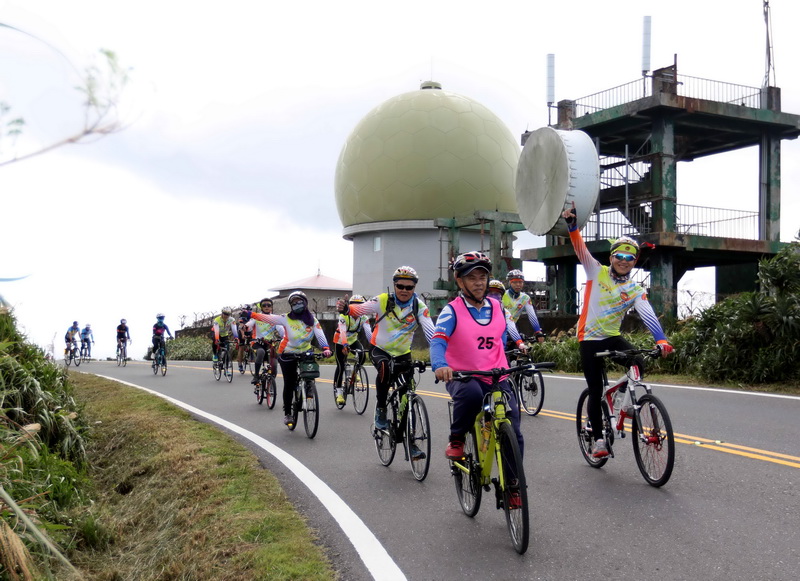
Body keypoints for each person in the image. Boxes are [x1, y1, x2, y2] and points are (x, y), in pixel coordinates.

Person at [562, 202, 673, 458]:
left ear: (635, 261)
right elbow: (580, 250)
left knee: (637, 361)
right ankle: (599, 440)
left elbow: (647, 313)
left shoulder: (634, 289)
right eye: (619, 256)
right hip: (589, 339)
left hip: (611, 337)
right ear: (611, 257)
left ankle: (626, 400)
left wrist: (662, 339)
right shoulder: (595, 271)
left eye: (629, 257)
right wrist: (572, 226)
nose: (624, 261)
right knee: (596, 389)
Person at [430, 252, 528, 465]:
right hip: (463, 375)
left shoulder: (497, 307)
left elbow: (502, 332)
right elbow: (438, 341)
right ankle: (456, 439)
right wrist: (440, 365)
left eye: (482, 278)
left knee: (513, 428)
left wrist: (506, 349)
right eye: (471, 278)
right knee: (472, 394)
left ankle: (513, 488)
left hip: (496, 375)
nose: (478, 283)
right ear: (460, 280)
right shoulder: (452, 311)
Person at [336, 266, 435, 459]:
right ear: (394, 285)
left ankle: (411, 443)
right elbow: (361, 309)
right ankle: (381, 410)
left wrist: (439, 357)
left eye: (409, 287)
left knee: (408, 396)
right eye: (400, 286)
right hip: (380, 349)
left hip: (403, 354)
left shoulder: (419, 307)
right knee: (383, 368)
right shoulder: (382, 300)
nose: (404, 290)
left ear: (414, 288)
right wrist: (348, 308)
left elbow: (431, 332)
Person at [243, 291, 331, 427]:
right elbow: (268, 319)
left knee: (310, 374)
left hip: (305, 351)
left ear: (305, 302)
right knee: (289, 383)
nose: (297, 304)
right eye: (294, 303)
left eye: (299, 301)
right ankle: (288, 413)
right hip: (287, 352)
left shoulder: (312, 320)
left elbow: (320, 334)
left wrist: (325, 348)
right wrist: (251, 315)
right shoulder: (285, 318)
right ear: (290, 305)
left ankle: (309, 387)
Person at [332, 294, 373, 406]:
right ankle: (339, 392)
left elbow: (369, 334)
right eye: (354, 305)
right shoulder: (344, 317)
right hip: (340, 341)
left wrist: (375, 345)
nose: (357, 308)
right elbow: (343, 332)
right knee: (340, 366)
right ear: (350, 306)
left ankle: (355, 373)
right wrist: (345, 345)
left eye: (360, 306)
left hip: (353, 340)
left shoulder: (364, 318)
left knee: (363, 356)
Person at [245, 298, 284, 386]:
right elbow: (249, 325)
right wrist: (245, 328)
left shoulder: (275, 318)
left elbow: (281, 330)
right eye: (264, 305)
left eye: (269, 305)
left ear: (271, 307)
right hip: (257, 343)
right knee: (261, 352)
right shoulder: (256, 317)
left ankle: (271, 381)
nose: (266, 307)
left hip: (269, 343)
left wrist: (285, 337)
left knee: (275, 361)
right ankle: (256, 375)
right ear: (261, 307)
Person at [503, 269, 546, 343]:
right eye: (515, 282)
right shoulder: (502, 295)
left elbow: (532, 316)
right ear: (510, 282)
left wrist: (538, 332)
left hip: (513, 328)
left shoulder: (525, 298)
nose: (518, 285)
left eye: (520, 282)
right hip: (498, 327)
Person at [236, 307, 254, 373]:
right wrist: (243, 335)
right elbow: (241, 327)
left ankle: (250, 352)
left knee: (252, 342)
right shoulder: (242, 317)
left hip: (249, 331)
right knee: (241, 347)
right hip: (242, 331)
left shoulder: (252, 316)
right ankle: (240, 365)